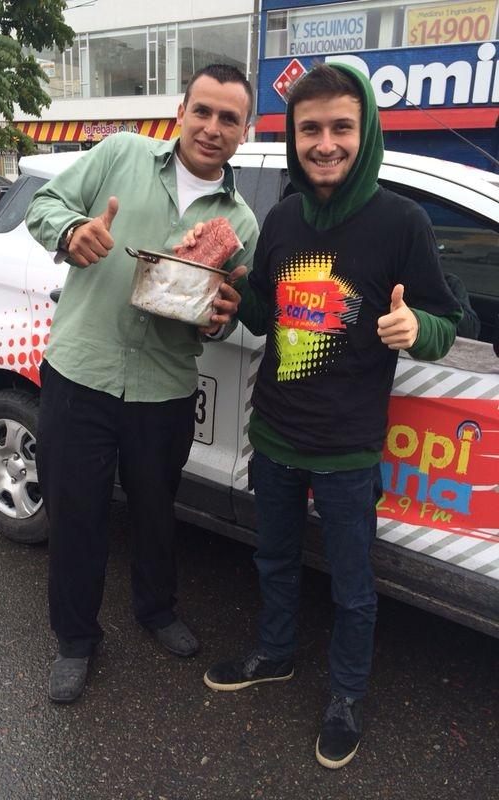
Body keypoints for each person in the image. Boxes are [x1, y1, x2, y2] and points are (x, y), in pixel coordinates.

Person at [193, 63, 462, 768]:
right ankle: (276, 652)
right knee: (274, 559)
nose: (324, 143)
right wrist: (236, 302)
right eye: (309, 128)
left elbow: (443, 321)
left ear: (364, 131)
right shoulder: (282, 218)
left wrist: (417, 329)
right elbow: (265, 310)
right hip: (275, 433)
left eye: (341, 127)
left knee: (352, 587)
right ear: (294, 137)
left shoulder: (401, 223)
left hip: (347, 449)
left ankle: (346, 695)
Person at [25, 64, 259, 704]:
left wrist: (220, 316)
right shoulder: (121, 153)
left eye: (229, 118)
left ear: (245, 130)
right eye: (202, 111)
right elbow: (44, 205)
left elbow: (224, 313)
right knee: (76, 515)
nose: (212, 128)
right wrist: (72, 231)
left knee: (156, 514)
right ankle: (76, 639)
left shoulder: (241, 223)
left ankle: (156, 609)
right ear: (182, 111)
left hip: (165, 389)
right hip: (81, 373)